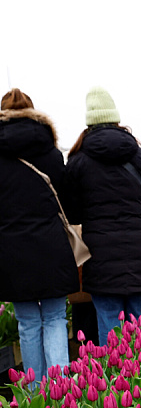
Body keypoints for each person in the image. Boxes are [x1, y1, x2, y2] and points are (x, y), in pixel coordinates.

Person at [64, 87, 141, 346]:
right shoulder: (139, 154)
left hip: (102, 259)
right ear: (116, 117)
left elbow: (72, 212)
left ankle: (113, 385)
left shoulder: (78, 160)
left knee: (110, 335)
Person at [0, 89, 76, 385]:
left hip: (11, 248)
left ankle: (35, 391)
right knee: (56, 318)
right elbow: (66, 199)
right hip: (50, 244)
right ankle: (62, 391)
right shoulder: (51, 153)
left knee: (28, 323)